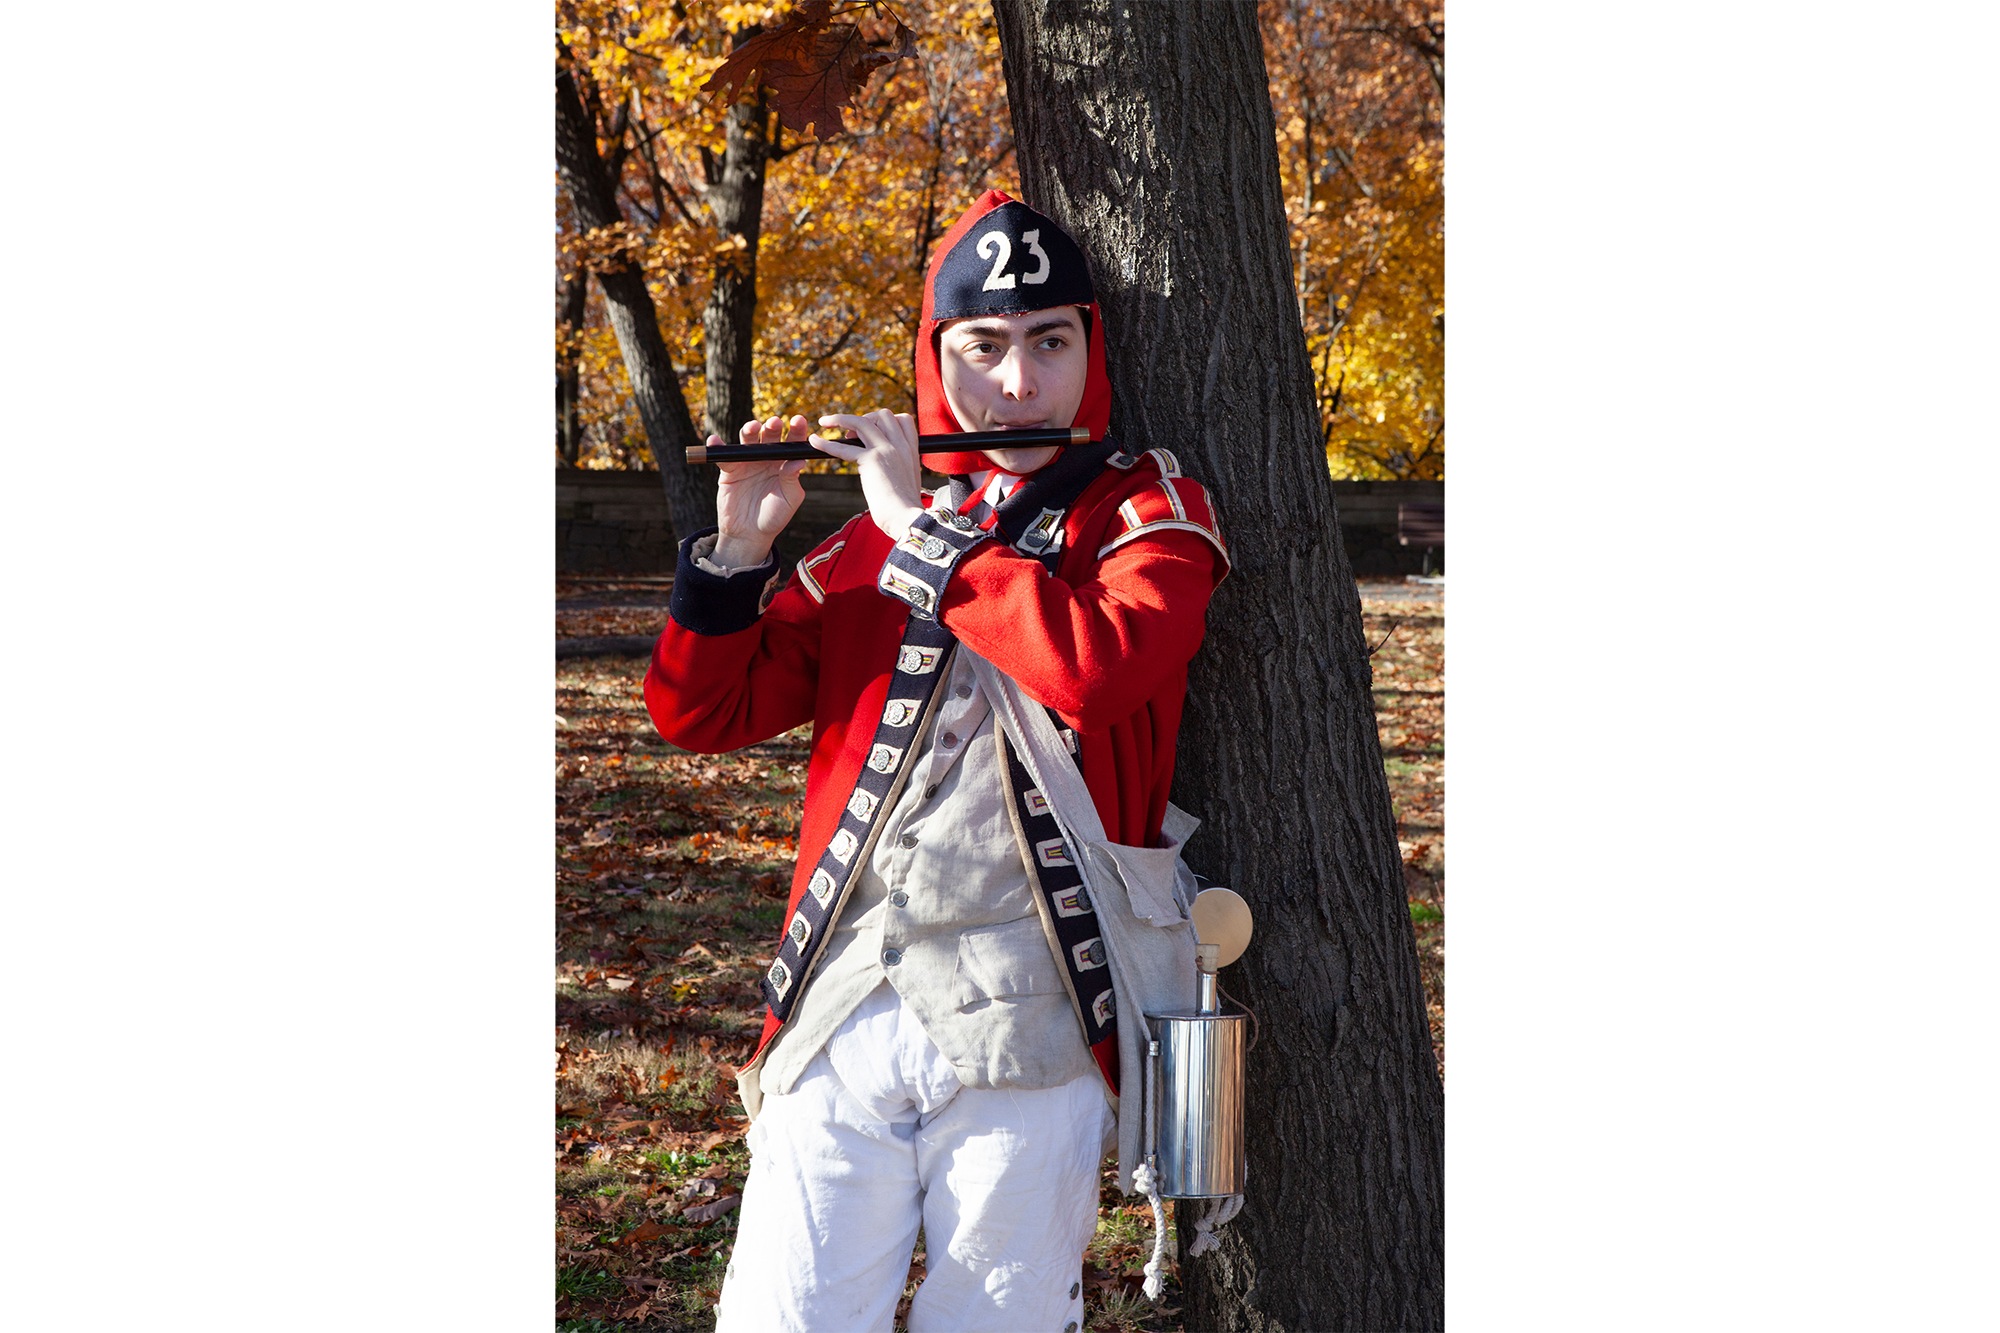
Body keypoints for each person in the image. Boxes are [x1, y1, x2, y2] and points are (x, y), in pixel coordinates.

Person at [644, 190, 1230, 1333]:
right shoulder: (880, 529)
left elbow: (1096, 669)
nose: (1015, 385)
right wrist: (738, 548)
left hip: (1041, 1015)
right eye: (983, 348)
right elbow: (698, 712)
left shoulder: (1147, 512)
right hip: (841, 1000)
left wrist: (919, 527)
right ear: (934, 355)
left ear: (1088, 351)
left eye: (1047, 343)